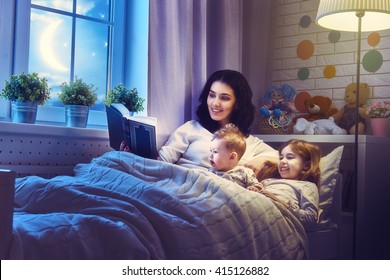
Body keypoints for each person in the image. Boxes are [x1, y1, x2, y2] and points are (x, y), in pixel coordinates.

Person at [121, 69, 278, 173]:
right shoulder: (191, 129)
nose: (215, 103)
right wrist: (131, 157)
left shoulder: (251, 143)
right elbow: (160, 163)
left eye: (224, 98)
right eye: (212, 95)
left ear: (237, 104)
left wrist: (263, 158)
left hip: (222, 196)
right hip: (180, 187)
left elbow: (281, 157)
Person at [249, 139, 321, 228]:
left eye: (290, 157)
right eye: (281, 158)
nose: (282, 161)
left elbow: (311, 219)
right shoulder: (267, 181)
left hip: (275, 216)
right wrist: (254, 189)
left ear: (306, 166)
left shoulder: (306, 186)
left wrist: (278, 201)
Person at [208, 123, 264, 190]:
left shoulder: (244, 172)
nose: (211, 155)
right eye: (211, 151)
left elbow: (257, 185)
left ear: (232, 157)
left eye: (215, 152)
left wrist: (254, 188)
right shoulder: (211, 171)